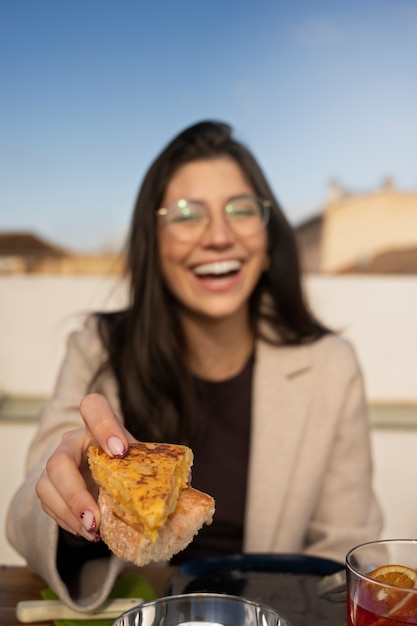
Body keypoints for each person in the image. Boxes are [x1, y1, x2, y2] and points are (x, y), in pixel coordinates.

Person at [7, 120, 382, 611]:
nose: (219, 235)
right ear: (154, 243)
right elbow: (22, 518)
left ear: (268, 240)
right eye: (187, 214)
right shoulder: (98, 346)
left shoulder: (331, 366)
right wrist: (80, 501)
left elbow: (345, 549)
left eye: (241, 210)